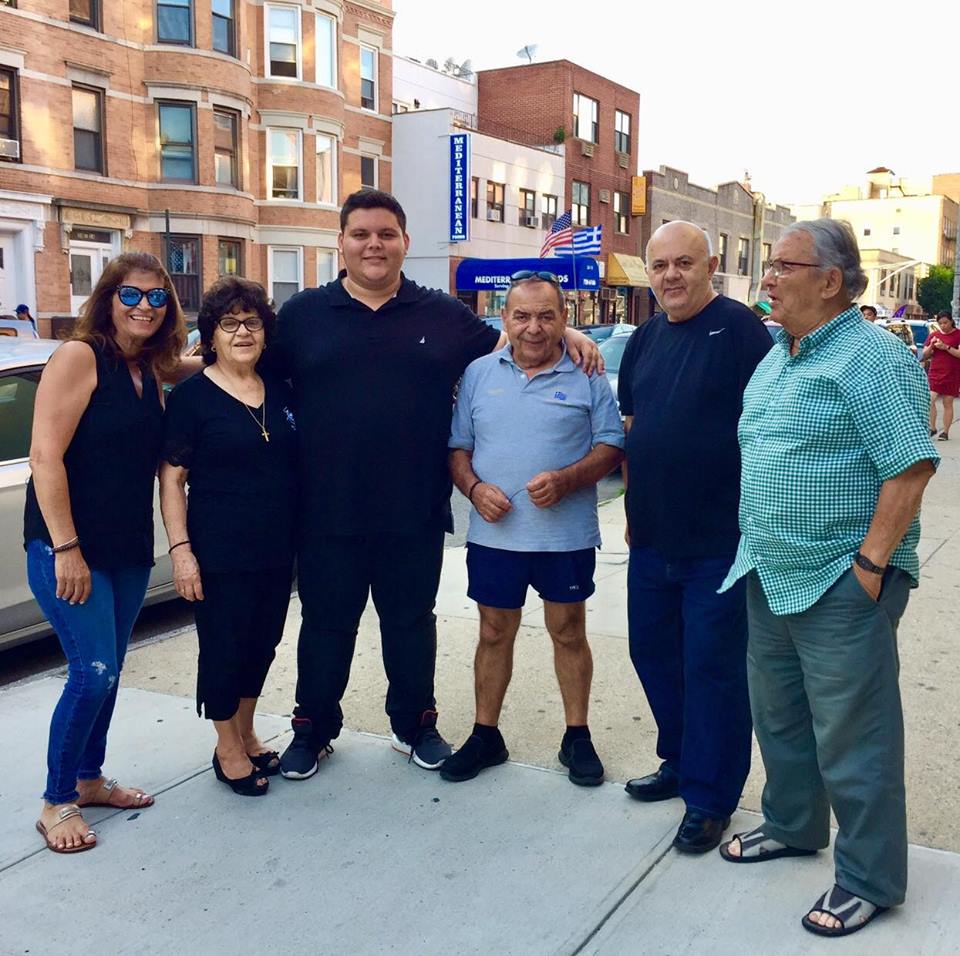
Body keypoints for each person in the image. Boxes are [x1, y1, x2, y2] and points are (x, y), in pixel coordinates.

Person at [263, 189, 602, 780]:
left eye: (386, 234)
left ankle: (415, 724)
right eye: (361, 234)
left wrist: (568, 335)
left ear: (405, 242)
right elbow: (248, 376)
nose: (374, 244)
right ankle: (312, 729)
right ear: (340, 242)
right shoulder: (302, 315)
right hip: (325, 509)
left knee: (411, 624)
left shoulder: (442, 314)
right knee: (325, 626)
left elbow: (515, 339)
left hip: (413, 508)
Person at [718, 219, 938, 938]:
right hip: (769, 569)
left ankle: (869, 877)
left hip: (840, 581)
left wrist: (869, 569)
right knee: (780, 718)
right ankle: (792, 824)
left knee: (854, 738)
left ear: (831, 281)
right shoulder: (778, 356)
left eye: (783, 265)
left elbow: (910, 468)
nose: (768, 277)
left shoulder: (873, 357)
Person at [617, 221, 772, 853]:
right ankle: (680, 761)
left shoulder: (739, 330)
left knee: (713, 670)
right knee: (653, 654)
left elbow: (767, 430)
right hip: (653, 538)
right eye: (660, 265)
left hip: (719, 541)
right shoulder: (645, 338)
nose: (671, 275)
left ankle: (710, 798)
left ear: (710, 267)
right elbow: (634, 428)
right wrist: (634, 505)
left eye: (684, 263)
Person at [25, 252, 186, 852]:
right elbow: (45, 456)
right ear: (108, 298)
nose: (145, 306)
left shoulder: (149, 368)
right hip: (70, 547)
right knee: (91, 673)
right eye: (131, 294)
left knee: (111, 672)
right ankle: (55, 800)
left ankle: (89, 778)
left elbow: (204, 365)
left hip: (127, 548)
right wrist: (66, 548)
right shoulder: (79, 356)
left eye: (157, 296)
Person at [442, 271, 624, 785]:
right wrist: (474, 489)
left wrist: (567, 480)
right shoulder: (478, 373)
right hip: (495, 536)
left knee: (568, 631)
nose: (534, 327)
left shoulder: (587, 371)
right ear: (505, 318)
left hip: (564, 537)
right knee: (492, 632)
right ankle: (485, 735)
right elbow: (458, 448)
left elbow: (612, 445)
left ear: (565, 320)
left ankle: (577, 737)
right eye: (521, 316)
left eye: (546, 316)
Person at [159, 278, 298, 797]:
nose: (243, 332)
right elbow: (171, 479)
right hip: (219, 550)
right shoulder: (192, 398)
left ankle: (246, 729)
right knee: (224, 646)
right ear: (211, 335)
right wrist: (181, 552)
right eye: (229, 323)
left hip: (276, 548)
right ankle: (226, 747)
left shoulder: (279, 389)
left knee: (263, 643)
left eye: (252, 322)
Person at [922, 310, 960, 440]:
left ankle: (945, 432)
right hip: (935, 372)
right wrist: (931, 345)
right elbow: (925, 354)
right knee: (930, 399)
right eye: (940, 323)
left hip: (952, 373)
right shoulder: (934, 335)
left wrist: (946, 347)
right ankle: (932, 428)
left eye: (945, 322)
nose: (943, 326)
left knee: (947, 402)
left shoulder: (958, 335)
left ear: (951, 321)